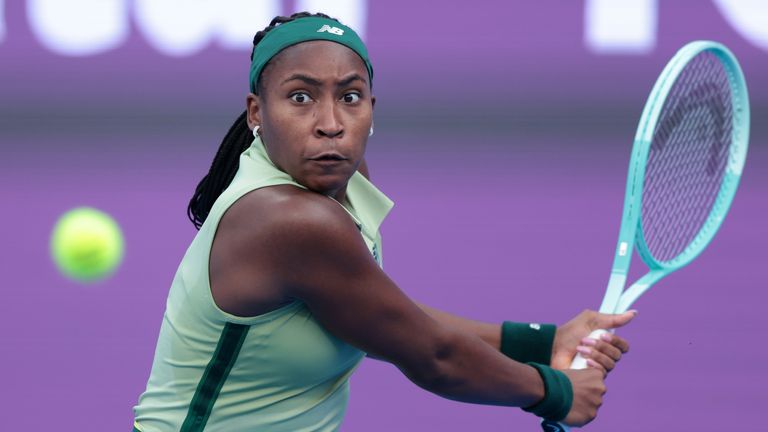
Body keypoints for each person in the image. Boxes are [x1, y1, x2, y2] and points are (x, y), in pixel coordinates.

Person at [132, 12, 635, 432]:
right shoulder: (294, 220)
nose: (331, 122)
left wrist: (543, 343)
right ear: (256, 113)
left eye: (349, 97)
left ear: (371, 109)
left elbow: (381, 316)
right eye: (301, 97)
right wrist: (553, 391)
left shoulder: (336, 182)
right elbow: (433, 355)